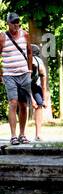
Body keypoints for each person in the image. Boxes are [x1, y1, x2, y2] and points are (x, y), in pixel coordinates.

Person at [3, 13, 33, 145]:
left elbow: (30, 51)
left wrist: (30, 70)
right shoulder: (2, 37)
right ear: (8, 23)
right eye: (13, 22)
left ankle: (22, 134)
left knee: (24, 105)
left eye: (18, 22)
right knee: (13, 103)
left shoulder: (25, 35)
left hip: (24, 74)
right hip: (9, 75)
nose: (16, 25)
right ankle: (13, 136)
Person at [29, 47, 49, 143]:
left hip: (34, 84)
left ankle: (38, 134)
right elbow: (25, 86)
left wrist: (44, 100)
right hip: (22, 85)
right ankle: (21, 134)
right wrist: (31, 100)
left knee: (39, 104)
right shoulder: (25, 64)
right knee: (23, 104)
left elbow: (44, 85)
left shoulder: (40, 66)